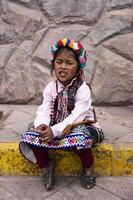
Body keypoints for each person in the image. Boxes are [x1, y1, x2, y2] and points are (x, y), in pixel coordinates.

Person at [19, 38, 104, 190]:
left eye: (69, 63)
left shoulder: (83, 89)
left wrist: (55, 130)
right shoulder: (50, 88)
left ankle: (88, 168)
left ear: (78, 67)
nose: (63, 67)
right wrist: (43, 126)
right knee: (32, 131)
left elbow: (78, 116)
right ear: (53, 64)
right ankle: (46, 167)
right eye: (59, 62)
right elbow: (44, 109)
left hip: (80, 127)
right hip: (56, 129)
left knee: (81, 137)